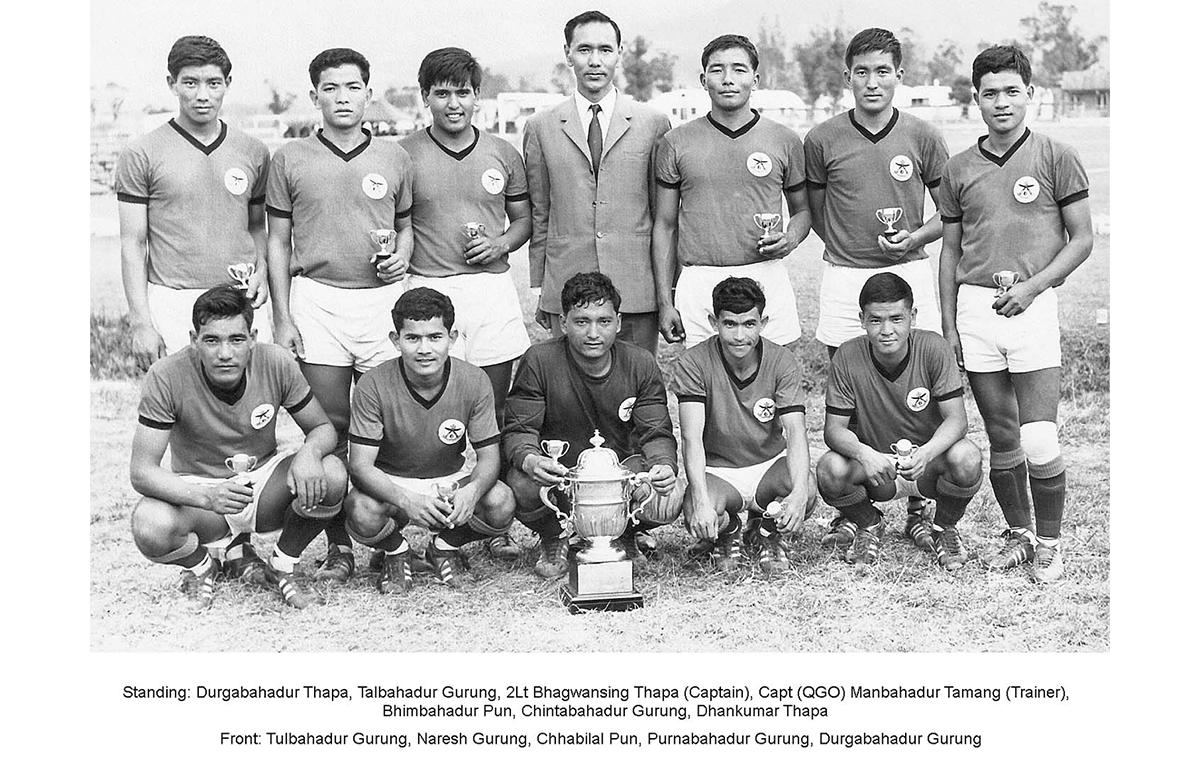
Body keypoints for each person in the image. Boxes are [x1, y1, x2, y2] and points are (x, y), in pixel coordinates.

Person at [938, 45, 1093, 583]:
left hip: (1032, 304)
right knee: (1002, 436)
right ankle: (1020, 536)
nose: (1000, 102)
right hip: (976, 309)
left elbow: (1083, 239)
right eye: (989, 93)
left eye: (1011, 91)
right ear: (974, 100)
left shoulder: (1056, 155)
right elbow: (951, 251)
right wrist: (949, 324)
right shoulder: (957, 168)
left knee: (1039, 437)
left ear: (1029, 94)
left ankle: (1052, 543)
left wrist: (1034, 286)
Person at [266, 47, 414, 585]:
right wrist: (282, 317)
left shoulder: (395, 157)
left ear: (368, 93)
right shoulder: (289, 158)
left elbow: (404, 226)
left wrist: (402, 252)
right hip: (318, 299)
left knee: (384, 428)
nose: (342, 98)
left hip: (379, 301)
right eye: (331, 89)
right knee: (331, 428)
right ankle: (339, 544)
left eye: (353, 87)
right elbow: (277, 244)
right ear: (315, 97)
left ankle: (384, 538)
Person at [803, 27, 951, 544]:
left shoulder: (922, 135)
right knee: (853, 385)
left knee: (920, 384)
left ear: (899, 77)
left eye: (882, 71)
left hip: (910, 273)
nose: (872, 81)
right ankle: (860, 499)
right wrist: (848, 247)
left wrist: (914, 235)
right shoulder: (822, 138)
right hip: (846, 278)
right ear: (847, 78)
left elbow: (950, 212)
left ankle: (919, 500)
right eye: (861, 72)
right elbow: (817, 212)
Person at [129, 285, 347, 610]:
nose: (225, 353)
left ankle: (285, 564)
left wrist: (310, 453)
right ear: (193, 339)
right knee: (149, 524)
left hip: (261, 487)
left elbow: (322, 428)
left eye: (236, 339)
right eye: (212, 340)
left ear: (253, 337)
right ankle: (202, 567)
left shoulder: (275, 361)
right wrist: (206, 497)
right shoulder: (166, 375)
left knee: (331, 472)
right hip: (201, 494)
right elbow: (142, 472)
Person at [400, 47, 533, 560]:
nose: (453, 103)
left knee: (490, 409)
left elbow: (523, 220)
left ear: (478, 96)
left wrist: (501, 244)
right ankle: (435, 513)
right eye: (442, 93)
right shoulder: (403, 153)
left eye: (463, 92)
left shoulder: (503, 152)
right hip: (428, 289)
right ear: (426, 97)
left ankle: (485, 524)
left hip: (491, 292)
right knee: (433, 409)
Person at [502, 272, 681, 578]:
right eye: (582, 321)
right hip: (561, 477)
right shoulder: (539, 360)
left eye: (604, 321)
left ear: (619, 323)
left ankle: (623, 532)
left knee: (669, 495)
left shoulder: (640, 363)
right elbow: (519, 429)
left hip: (620, 474)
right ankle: (553, 535)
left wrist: (664, 464)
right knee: (521, 482)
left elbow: (656, 430)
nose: (593, 332)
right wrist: (531, 459)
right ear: (563, 322)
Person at [115, 35, 273, 366]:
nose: (202, 95)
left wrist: (262, 270)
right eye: (190, 82)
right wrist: (141, 321)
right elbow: (132, 243)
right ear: (172, 84)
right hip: (174, 300)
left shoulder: (253, 151)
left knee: (253, 405)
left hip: (239, 296)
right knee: (184, 412)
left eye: (213, 83)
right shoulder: (141, 153)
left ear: (227, 84)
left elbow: (257, 226)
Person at [344, 288, 516, 592]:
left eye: (435, 337)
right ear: (395, 340)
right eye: (413, 338)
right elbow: (359, 466)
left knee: (500, 501)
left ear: (452, 337)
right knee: (360, 509)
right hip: (394, 484)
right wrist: (405, 499)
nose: (425, 348)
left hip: (449, 482)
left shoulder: (474, 380)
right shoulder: (372, 384)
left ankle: (444, 547)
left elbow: (489, 457)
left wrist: (473, 491)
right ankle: (396, 550)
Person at [523, 10, 672, 355]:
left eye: (605, 50)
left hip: (636, 288)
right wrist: (540, 289)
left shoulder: (653, 123)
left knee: (635, 385)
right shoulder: (541, 127)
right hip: (567, 287)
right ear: (567, 54)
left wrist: (667, 295)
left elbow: (663, 215)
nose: (595, 61)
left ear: (619, 54)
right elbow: (541, 212)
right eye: (584, 50)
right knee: (570, 393)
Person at [653, 34, 810, 351]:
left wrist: (790, 238)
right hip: (700, 279)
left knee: (776, 380)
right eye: (717, 70)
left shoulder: (785, 140)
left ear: (756, 79)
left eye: (738, 69)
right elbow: (665, 225)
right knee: (705, 387)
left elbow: (803, 211)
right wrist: (664, 301)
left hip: (765, 274)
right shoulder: (676, 142)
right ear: (703, 79)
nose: (727, 79)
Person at [817, 273, 983, 569]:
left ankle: (943, 526)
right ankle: (868, 524)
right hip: (878, 467)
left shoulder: (933, 348)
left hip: (927, 461)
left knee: (967, 457)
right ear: (862, 319)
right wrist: (863, 454)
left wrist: (927, 453)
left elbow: (957, 420)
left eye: (896, 318)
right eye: (875, 320)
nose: (886, 330)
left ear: (913, 317)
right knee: (830, 468)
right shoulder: (847, 355)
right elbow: (833, 430)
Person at [671, 277, 817, 574]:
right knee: (695, 512)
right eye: (730, 324)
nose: (739, 335)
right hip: (720, 469)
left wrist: (799, 492)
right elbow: (691, 438)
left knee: (807, 487)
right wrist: (699, 500)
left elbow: (796, 432)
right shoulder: (693, 362)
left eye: (749, 324)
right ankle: (729, 530)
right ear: (714, 322)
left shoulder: (782, 360)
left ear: (762, 322)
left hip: (768, 464)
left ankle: (767, 532)